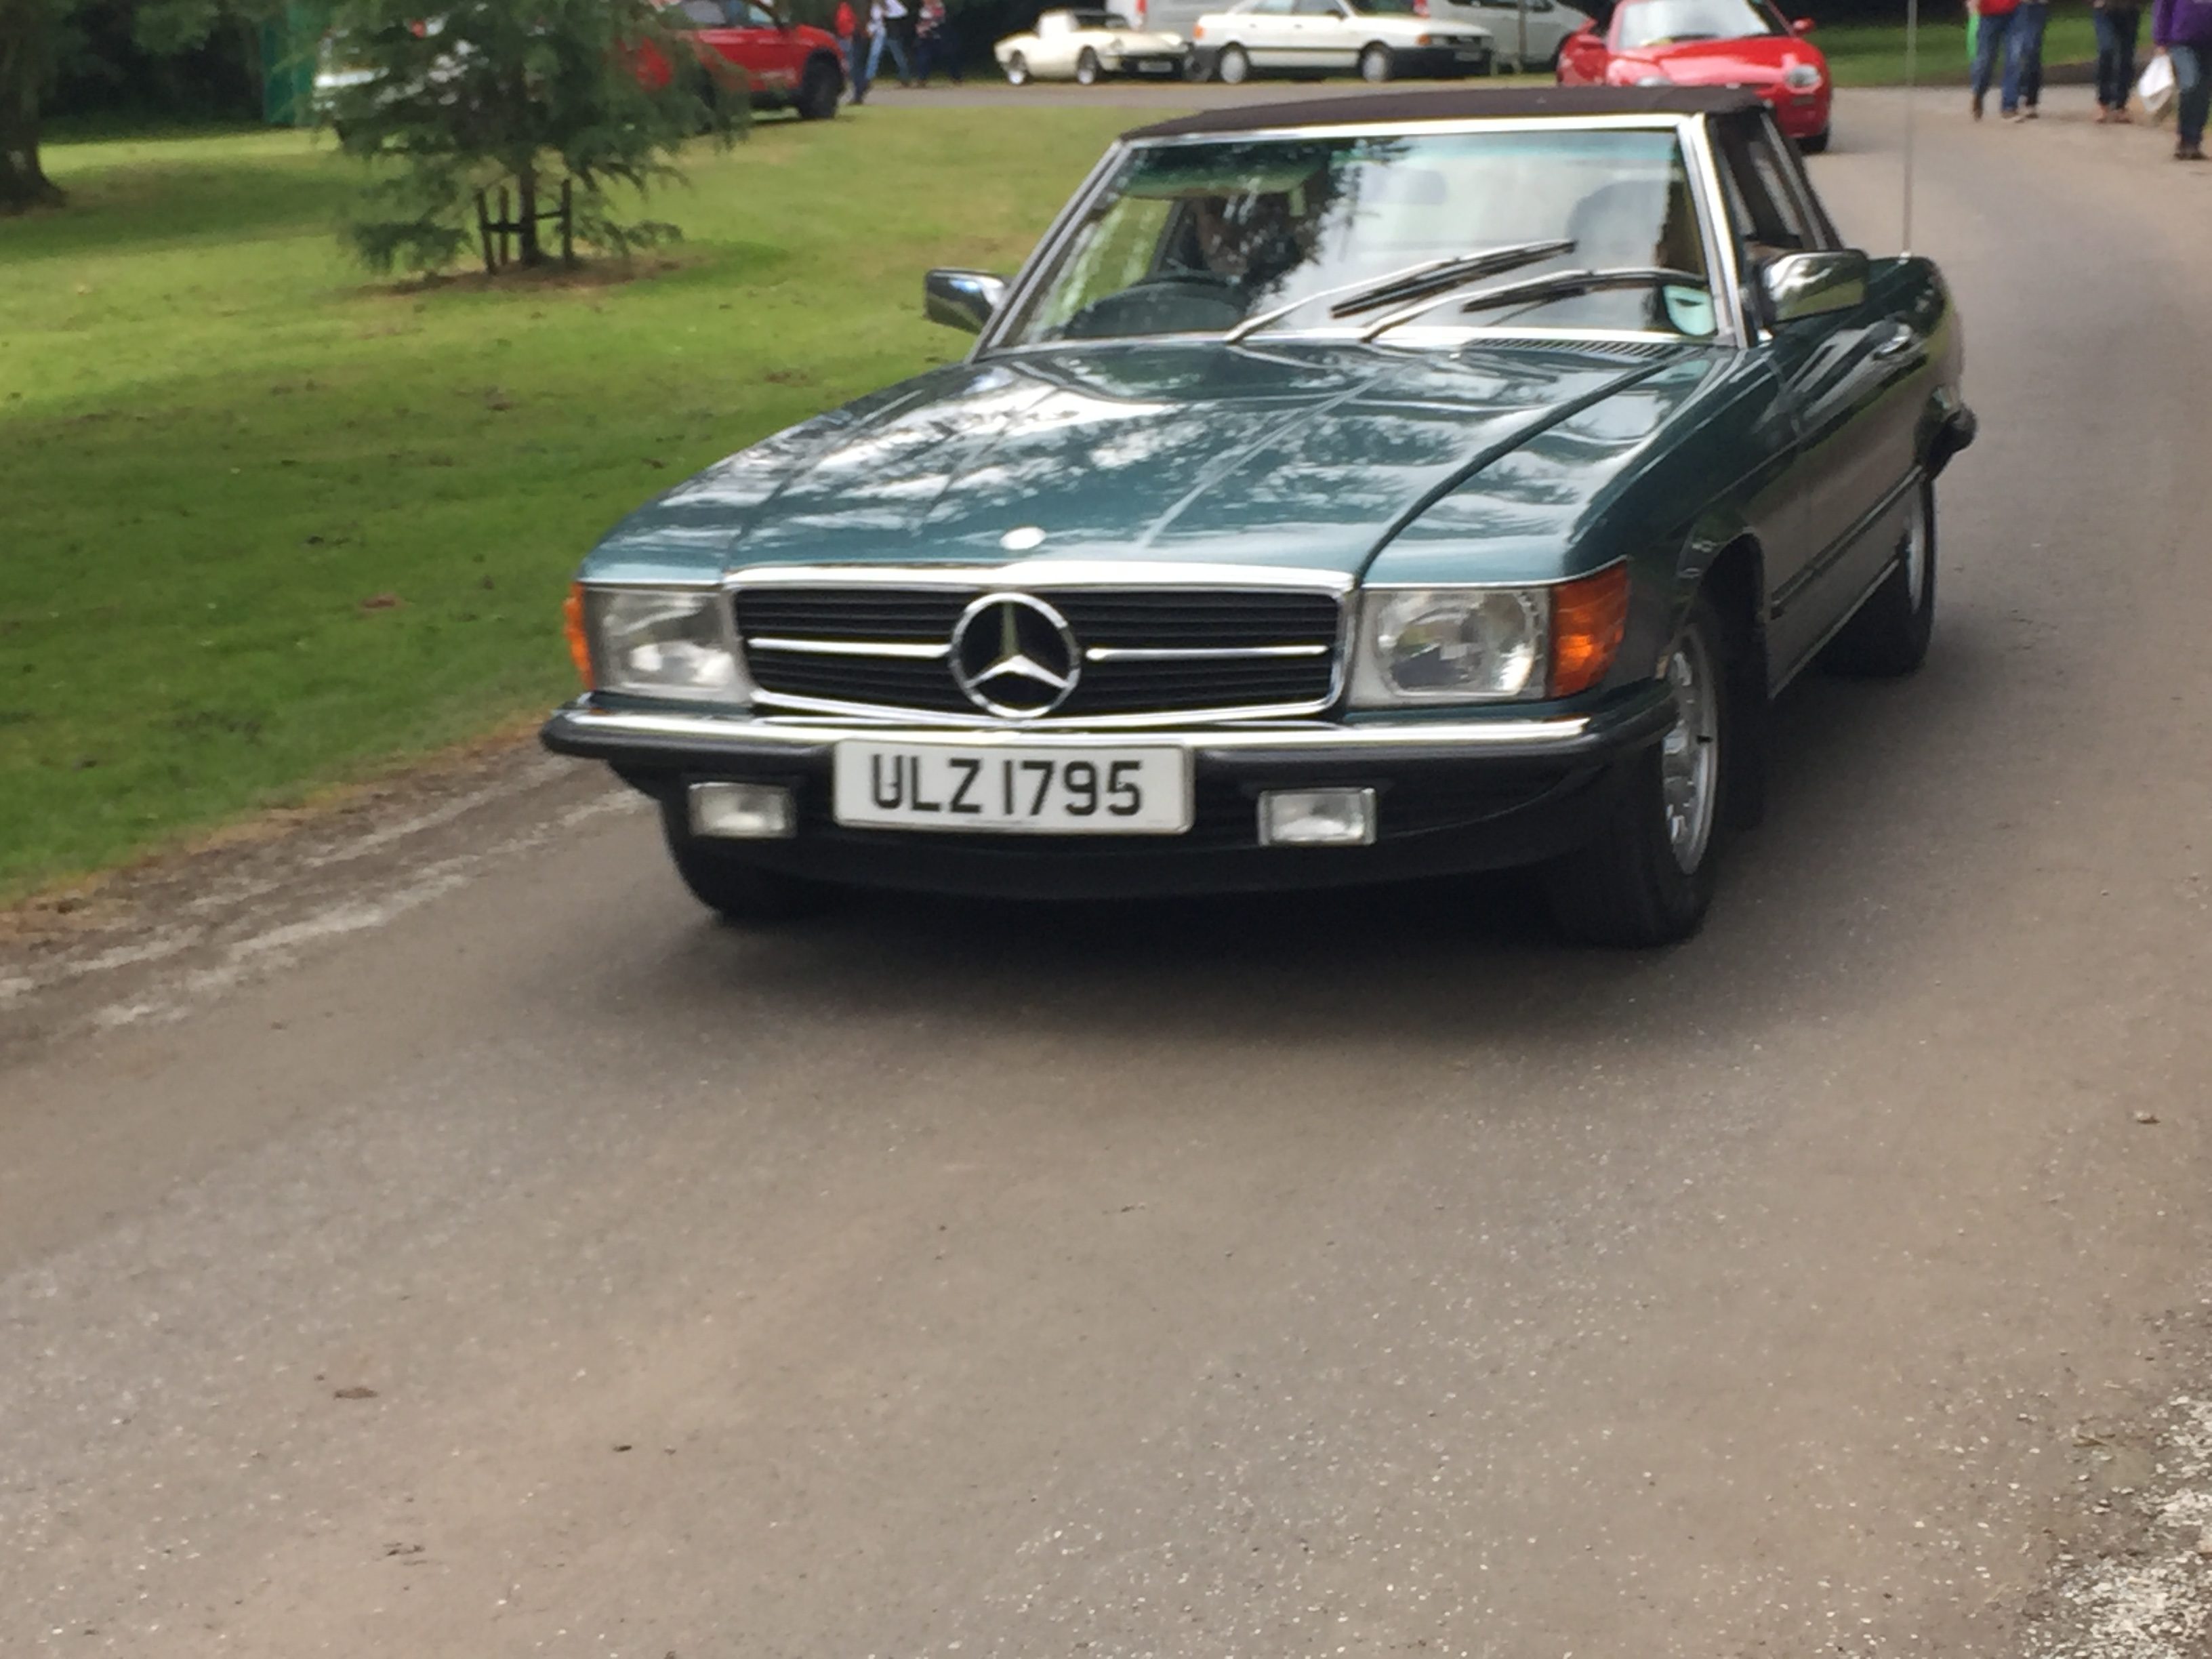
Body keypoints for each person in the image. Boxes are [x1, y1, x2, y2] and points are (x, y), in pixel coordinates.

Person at [2152, 0, 2212, 157]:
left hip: (2208, 42)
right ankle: (2184, 136)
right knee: (2190, 83)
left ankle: (2194, 140)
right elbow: (2164, 6)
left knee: (2203, 92)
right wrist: (2160, 39)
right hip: (2181, 41)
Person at [1968, 0, 2021, 119]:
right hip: (1988, 14)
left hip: (2015, 11)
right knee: (1985, 60)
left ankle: (2009, 105)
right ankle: (1979, 92)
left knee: (2014, 57)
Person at [2093, 0, 2142, 121]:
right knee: (2106, 50)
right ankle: (2103, 101)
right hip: (2104, 9)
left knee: (2126, 57)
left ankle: (2121, 105)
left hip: (2130, 10)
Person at [2011, 0, 2050, 116]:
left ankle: (2030, 98)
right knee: (2017, 52)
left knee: (2032, 50)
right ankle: (2012, 98)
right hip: (2014, 5)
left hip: (2037, 6)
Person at [869, 0, 914, 86]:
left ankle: (905, 78)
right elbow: (874, 21)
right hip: (879, 33)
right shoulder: (873, 6)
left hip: (891, 33)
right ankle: (868, 78)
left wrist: (888, 14)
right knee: (874, 55)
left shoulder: (890, 2)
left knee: (899, 56)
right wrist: (871, 30)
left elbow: (903, 12)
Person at [835, 0, 872, 101]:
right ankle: (862, 86)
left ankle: (860, 88)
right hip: (859, 34)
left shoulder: (848, 5)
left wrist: (849, 34)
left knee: (855, 65)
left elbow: (845, 21)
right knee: (858, 64)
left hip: (853, 36)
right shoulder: (859, 5)